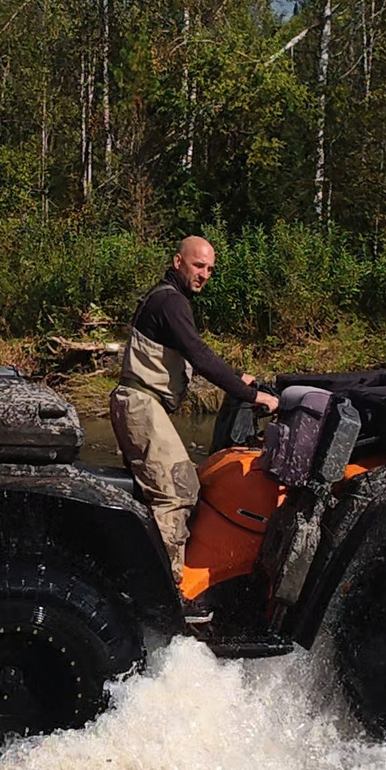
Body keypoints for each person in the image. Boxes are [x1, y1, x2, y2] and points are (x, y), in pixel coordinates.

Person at [111, 237, 278, 580]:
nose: (204, 274)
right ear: (178, 262)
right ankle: (166, 587)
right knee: (178, 492)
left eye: (210, 269)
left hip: (143, 405)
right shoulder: (170, 301)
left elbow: (190, 353)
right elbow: (199, 355)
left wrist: (237, 376)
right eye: (198, 265)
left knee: (171, 486)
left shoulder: (168, 300)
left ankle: (135, 569)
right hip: (141, 405)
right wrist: (253, 396)